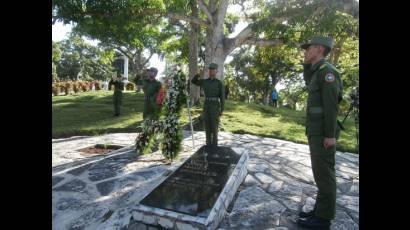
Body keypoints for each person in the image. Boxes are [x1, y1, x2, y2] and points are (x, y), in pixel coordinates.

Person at [297, 36, 343, 229]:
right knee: (320, 174)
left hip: (323, 133)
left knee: (325, 175)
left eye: (309, 49)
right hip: (315, 132)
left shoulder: (328, 73)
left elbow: (331, 107)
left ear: (319, 49)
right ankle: (319, 210)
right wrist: (307, 64)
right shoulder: (317, 72)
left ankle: (323, 220)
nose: (305, 52)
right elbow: (308, 81)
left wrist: (330, 135)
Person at [191, 63, 225, 147]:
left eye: (213, 69)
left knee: (214, 127)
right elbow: (193, 81)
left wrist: (222, 109)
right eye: (210, 69)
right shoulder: (204, 81)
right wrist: (199, 74)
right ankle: (208, 145)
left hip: (215, 107)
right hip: (206, 107)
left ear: (216, 71)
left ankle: (215, 146)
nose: (211, 71)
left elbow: (222, 97)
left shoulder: (219, 83)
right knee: (207, 127)